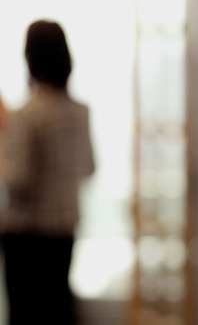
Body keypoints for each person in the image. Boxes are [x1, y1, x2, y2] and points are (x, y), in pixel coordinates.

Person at [0, 20, 95, 325]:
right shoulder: (80, 112)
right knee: (57, 310)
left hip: (27, 239)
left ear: (29, 57)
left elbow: (18, 179)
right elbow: (90, 168)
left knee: (26, 315)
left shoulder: (27, 115)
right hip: (64, 231)